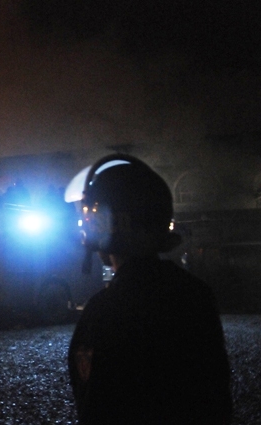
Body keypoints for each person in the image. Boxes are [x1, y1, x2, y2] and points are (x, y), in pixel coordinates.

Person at [63, 154, 232, 425]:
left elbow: (96, 407)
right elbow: (217, 398)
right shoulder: (196, 294)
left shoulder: (104, 311)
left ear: (109, 225)